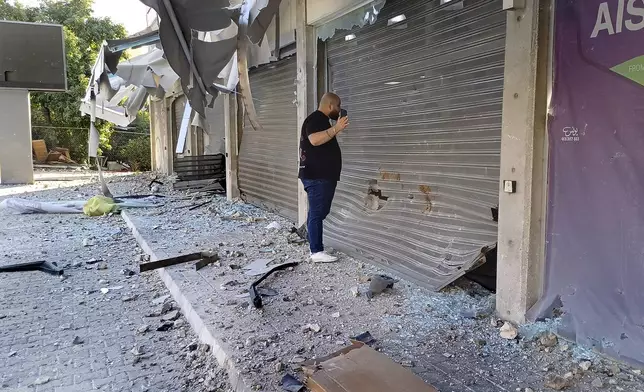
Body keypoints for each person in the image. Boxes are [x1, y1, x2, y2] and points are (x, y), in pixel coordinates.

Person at [298, 92, 349, 263]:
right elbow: (314, 140)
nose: (339, 110)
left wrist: (334, 131)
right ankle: (316, 251)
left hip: (319, 175)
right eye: (338, 106)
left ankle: (310, 237)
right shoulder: (317, 119)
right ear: (330, 105)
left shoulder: (320, 121)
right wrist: (336, 128)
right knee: (318, 213)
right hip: (318, 176)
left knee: (318, 211)